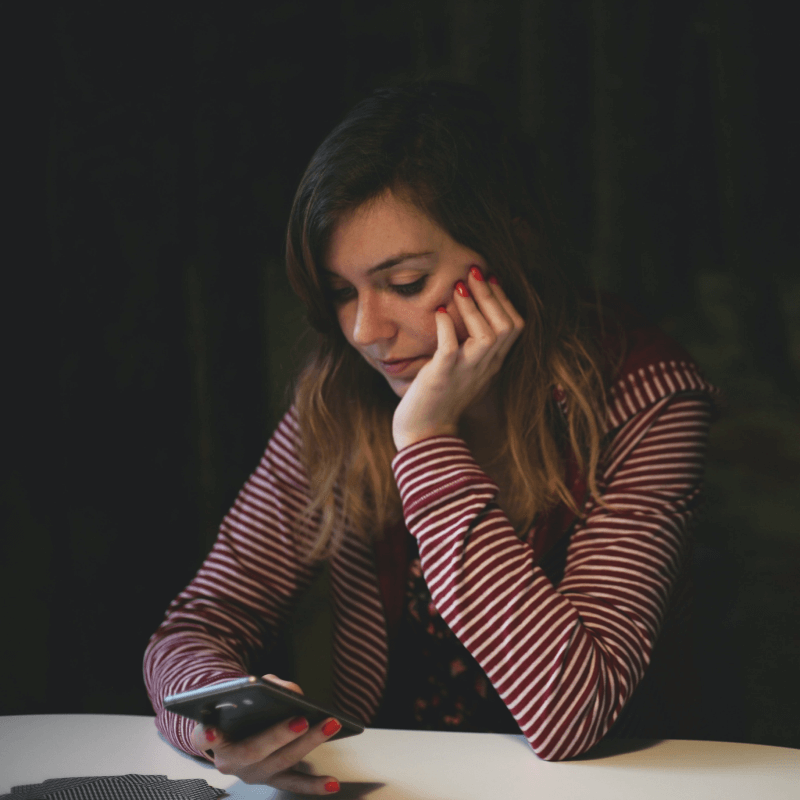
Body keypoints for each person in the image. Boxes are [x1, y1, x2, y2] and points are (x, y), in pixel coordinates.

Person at [144, 80, 720, 794]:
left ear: (515, 244)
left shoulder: (646, 395)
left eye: (406, 282)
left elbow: (572, 714)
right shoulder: (339, 398)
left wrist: (425, 440)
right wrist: (218, 722)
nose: (365, 332)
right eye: (342, 292)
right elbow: (196, 626)